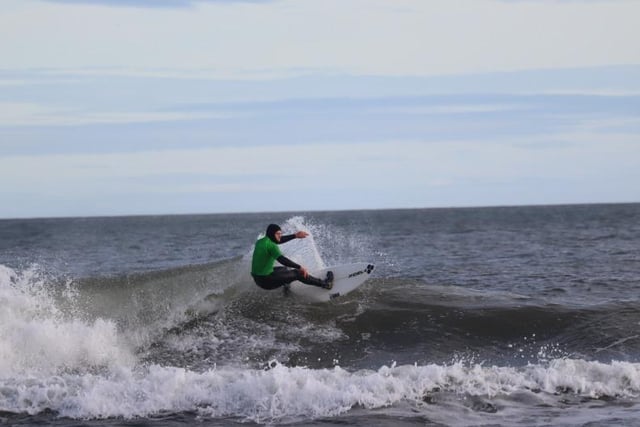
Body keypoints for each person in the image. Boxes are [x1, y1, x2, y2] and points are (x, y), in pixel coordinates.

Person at [251, 224, 333, 291]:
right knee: (299, 273)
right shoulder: (271, 246)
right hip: (266, 282)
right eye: (278, 234)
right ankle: (326, 284)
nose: (280, 236)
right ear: (272, 234)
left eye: (280, 234)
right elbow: (282, 260)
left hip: (258, 279)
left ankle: (286, 288)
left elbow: (278, 240)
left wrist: (295, 235)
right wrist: (299, 267)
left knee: (286, 269)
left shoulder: (261, 241)